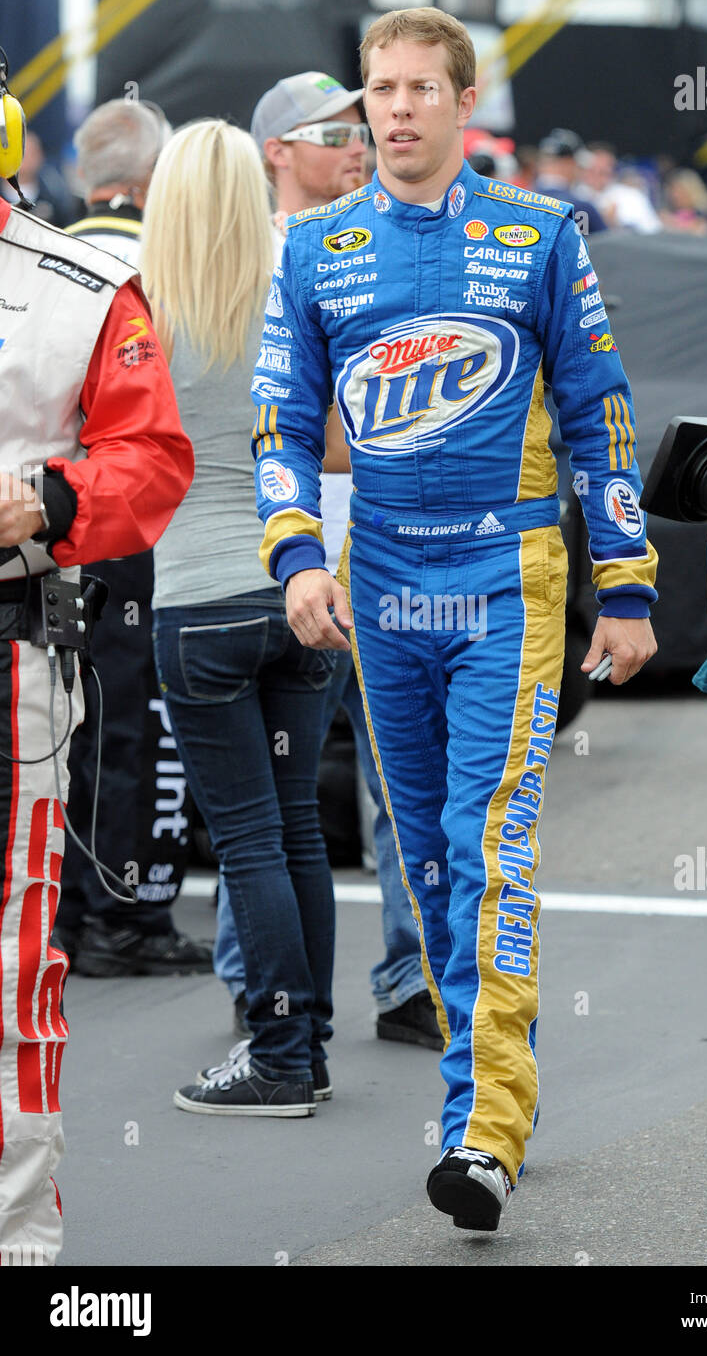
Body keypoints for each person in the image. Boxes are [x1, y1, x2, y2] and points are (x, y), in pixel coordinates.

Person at [251, 6, 658, 1230]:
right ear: (363, 102)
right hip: (375, 582)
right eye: (381, 88)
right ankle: (467, 1093)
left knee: (489, 843)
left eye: (423, 87)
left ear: (460, 102)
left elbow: (599, 414)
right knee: (420, 851)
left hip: (507, 577)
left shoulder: (536, 233)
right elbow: (277, 421)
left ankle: (483, 1126)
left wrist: (627, 581)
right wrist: (294, 559)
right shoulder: (316, 250)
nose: (398, 108)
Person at [203, 70, 441, 1049]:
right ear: (275, 154)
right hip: (281, 560)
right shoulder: (248, 261)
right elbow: (261, 423)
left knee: (403, 781)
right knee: (268, 791)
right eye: (330, 128)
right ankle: (257, 983)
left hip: (386, 554)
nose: (356, 140)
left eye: (359, 123)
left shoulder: (383, 243)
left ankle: (408, 979)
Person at [0, 59, 193, 1263]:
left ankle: (19, 1238)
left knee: (16, 960)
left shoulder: (88, 283)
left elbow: (151, 460)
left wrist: (40, 496)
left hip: (12, 657)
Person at [134, 119, 338, 1118]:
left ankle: (279, 1054)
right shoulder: (296, 296)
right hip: (300, 587)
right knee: (296, 829)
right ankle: (312, 1041)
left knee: (251, 841)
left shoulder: (142, 311)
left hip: (200, 600)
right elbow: (338, 446)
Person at [54, 98, 212, 976]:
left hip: (53, 525)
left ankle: (66, 916)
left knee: (63, 728)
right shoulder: (157, 266)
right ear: (155, 180)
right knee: (135, 726)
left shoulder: (46, 254)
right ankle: (126, 918)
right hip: (141, 526)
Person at [534, 128, 606, 234]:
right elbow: (606, 247)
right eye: (579, 165)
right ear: (569, 162)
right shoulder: (581, 208)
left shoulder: (518, 203)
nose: (580, 171)